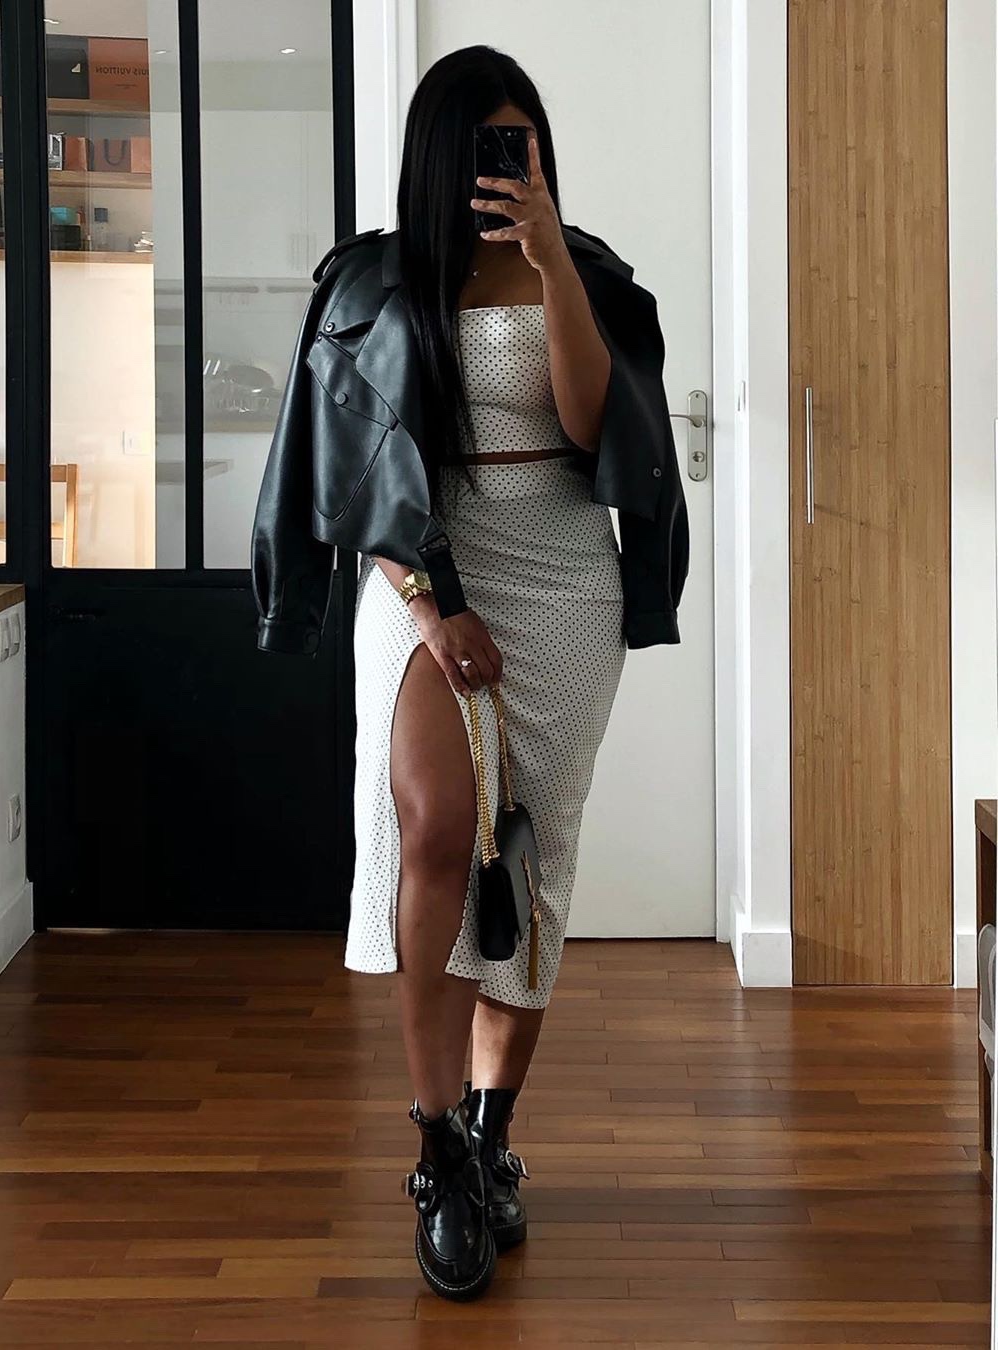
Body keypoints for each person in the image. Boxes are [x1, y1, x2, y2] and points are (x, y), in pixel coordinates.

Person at [251, 44, 688, 1303]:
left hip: (563, 579)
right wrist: (431, 606)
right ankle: (438, 1149)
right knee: (439, 828)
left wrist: (551, 264)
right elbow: (357, 476)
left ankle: (495, 1139)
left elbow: (594, 429)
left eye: (526, 144)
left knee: (531, 864)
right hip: (422, 577)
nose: (513, 165)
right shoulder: (376, 285)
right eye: (493, 147)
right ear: (443, 157)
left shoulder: (586, 274)